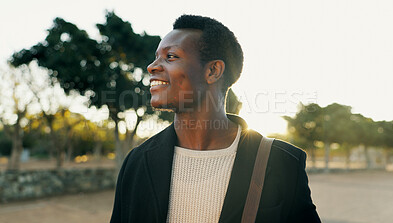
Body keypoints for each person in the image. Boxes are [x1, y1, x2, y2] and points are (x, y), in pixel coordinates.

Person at [110, 15, 321, 223]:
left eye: (170, 56)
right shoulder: (136, 163)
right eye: (156, 57)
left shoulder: (283, 163)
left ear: (213, 70)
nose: (152, 67)